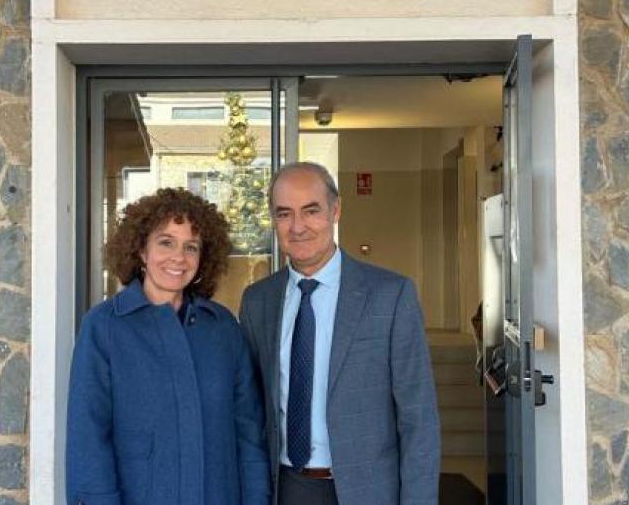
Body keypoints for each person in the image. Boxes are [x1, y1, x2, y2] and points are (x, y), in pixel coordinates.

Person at [238, 162, 440, 505]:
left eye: (311, 211)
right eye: (284, 214)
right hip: (285, 489)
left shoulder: (391, 295)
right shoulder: (258, 301)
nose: (297, 226)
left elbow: (418, 419)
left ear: (336, 210)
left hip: (369, 492)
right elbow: (252, 412)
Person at [66, 188, 271, 505]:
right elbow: (89, 437)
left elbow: (249, 433)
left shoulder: (223, 329)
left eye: (191, 247)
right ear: (141, 251)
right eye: (166, 242)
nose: (179, 257)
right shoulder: (104, 327)